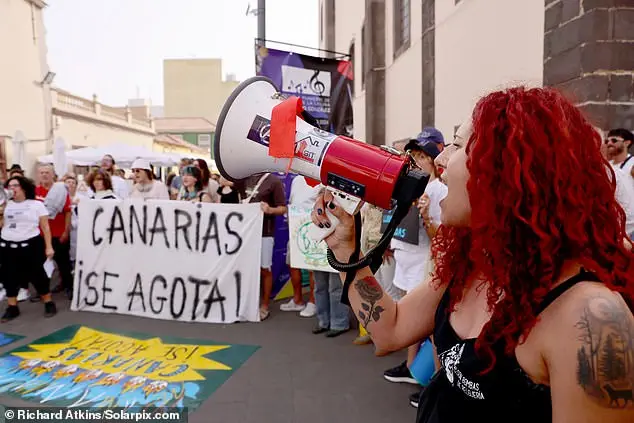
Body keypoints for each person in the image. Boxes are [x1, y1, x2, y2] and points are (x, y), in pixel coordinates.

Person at [311, 87, 634, 422]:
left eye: (459, 144)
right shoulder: (470, 265)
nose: (439, 159)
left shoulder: (591, 320)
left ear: (510, 168)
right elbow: (389, 330)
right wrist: (344, 246)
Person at [383, 135, 447, 394]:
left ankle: (436, 381)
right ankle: (412, 367)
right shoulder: (409, 186)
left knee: (429, 323)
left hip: (425, 262)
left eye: (421, 156)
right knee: (410, 317)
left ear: (432, 160)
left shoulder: (440, 191)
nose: (416, 161)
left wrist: (426, 215)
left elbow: (442, 239)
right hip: (404, 256)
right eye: (414, 156)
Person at [1, 176, 57, 321]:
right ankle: (12, 307)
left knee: (37, 275)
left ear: (23, 187)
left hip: (30, 244)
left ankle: (48, 302)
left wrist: (49, 246)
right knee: (8, 276)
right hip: (8, 245)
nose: (12, 189)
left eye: (15, 185)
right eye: (9, 186)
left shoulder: (36, 204)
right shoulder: (6, 204)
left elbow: (45, 226)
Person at [246, 173, 287, 320]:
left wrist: (270, 210)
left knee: (265, 268)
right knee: (248, 268)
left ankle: (264, 305)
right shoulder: (246, 177)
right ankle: (248, 303)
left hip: (265, 232)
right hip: (246, 232)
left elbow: (283, 208)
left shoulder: (273, 181)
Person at [280, 175, 319, 317]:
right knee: (293, 264)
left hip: (312, 229)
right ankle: (297, 300)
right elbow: (293, 202)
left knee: (312, 268)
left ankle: (313, 302)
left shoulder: (319, 179)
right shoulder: (297, 180)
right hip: (295, 228)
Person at [36, 164, 72, 298]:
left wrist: (66, 231)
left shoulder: (61, 190)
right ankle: (43, 290)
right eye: (42, 173)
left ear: (53, 175)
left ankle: (68, 286)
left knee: (63, 264)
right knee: (40, 264)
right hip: (40, 234)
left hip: (58, 232)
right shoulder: (35, 191)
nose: (44, 175)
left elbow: (68, 211)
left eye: (47, 172)